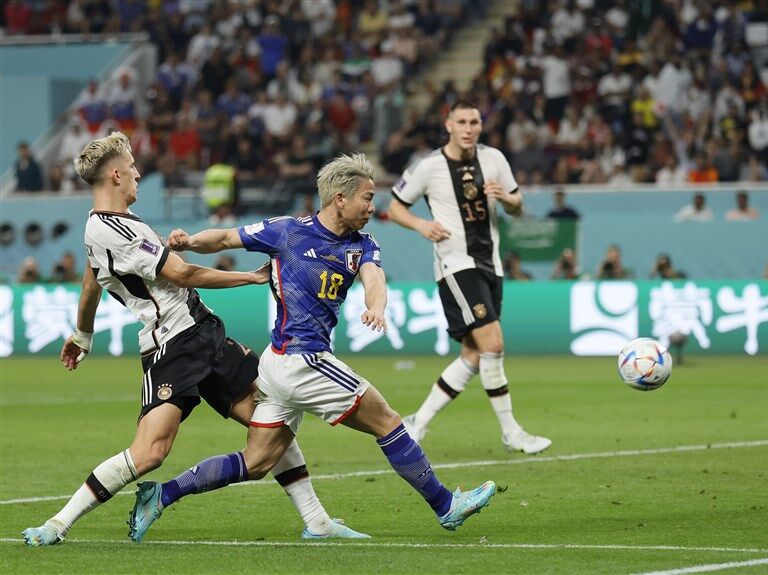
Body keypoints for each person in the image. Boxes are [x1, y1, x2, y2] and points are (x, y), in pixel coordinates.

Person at [128, 153, 496, 542]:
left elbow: (375, 278)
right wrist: (189, 241)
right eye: (367, 198)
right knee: (388, 421)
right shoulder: (287, 231)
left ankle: (161, 495)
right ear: (340, 199)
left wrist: (376, 306)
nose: (373, 208)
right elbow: (224, 238)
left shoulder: (362, 245)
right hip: (303, 360)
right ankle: (445, 505)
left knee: (257, 461)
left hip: (279, 365)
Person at [22, 132, 339, 546]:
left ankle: (317, 521)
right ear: (115, 175)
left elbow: (90, 283)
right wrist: (251, 277)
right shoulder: (107, 229)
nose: (138, 173)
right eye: (132, 166)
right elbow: (182, 274)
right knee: (150, 453)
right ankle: (57, 524)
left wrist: (82, 334)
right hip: (172, 346)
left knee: (269, 419)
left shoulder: (118, 223)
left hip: (203, 330)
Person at [387, 100, 551, 454]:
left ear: (481, 125)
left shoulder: (494, 159)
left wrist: (506, 198)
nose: (468, 128)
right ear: (449, 125)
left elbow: (518, 205)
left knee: (474, 354)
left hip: (491, 264)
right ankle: (511, 432)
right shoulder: (429, 166)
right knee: (493, 344)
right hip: (456, 264)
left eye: (474, 122)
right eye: (461, 122)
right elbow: (395, 207)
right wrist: (421, 225)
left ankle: (416, 422)